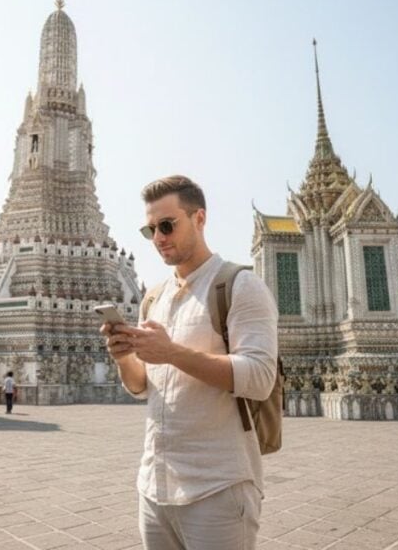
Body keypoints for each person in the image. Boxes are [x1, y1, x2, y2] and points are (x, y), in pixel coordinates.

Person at [101, 175, 278, 550]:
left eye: (168, 225)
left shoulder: (239, 286)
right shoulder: (153, 299)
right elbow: (141, 387)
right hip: (154, 485)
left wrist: (172, 352)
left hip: (217, 487)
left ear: (199, 219)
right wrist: (123, 356)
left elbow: (260, 377)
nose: (159, 238)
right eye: (151, 230)